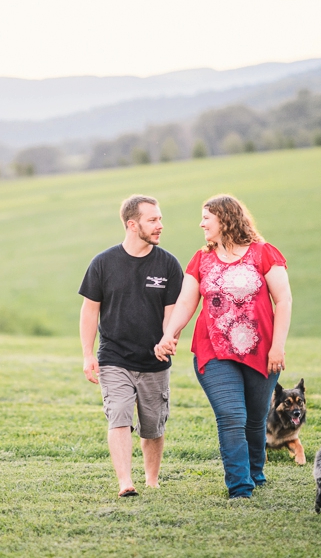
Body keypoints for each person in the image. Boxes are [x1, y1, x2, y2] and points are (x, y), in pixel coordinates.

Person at [155, 194, 291, 499]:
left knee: (255, 418)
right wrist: (169, 334)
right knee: (231, 415)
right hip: (213, 350)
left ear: (225, 218)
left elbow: (283, 300)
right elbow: (186, 302)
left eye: (206, 217)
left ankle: (255, 470)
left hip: (261, 351)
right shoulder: (201, 259)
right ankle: (240, 487)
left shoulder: (263, 254)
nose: (201, 223)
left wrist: (278, 347)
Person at [79, 194, 183, 498]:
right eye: (153, 220)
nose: (160, 225)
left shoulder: (168, 265)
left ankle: (152, 479)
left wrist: (168, 340)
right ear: (132, 223)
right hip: (114, 357)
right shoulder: (103, 263)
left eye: (160, 218)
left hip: (154, 361)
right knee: (119, 414)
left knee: (153, 427)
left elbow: (172, 314)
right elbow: (89, 310)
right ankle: (125, 482)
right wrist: (88, 354)